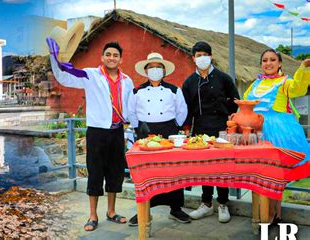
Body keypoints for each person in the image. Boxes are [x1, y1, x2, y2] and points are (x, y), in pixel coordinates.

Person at [46, 38, 134, 231]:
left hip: (118, 131)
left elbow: (131, 107)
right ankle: (93, 215)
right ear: (102, 57)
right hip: (96, 132)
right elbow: (64, 77)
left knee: (116, 172)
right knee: (95, 173)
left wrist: (133, 128)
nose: (112, 58)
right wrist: (54, 58)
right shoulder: (90, 75)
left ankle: (111, 212)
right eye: (108, 54)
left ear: (121, 59)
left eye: (116, 55)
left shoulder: (127, 81)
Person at [244, 49, 310, 225]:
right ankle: (261, 214)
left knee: (275, 175)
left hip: (278, 134)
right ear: (261, 64)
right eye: (265, 60)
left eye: (272, 59)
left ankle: (273, 213)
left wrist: (303, 69)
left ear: (280, 63)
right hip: (255, 133)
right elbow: (245, 103)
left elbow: (298, 89)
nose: (268, 63)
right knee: (258, 174)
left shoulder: (286, 82)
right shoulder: (255, 84)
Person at [127, 52, 190, 226]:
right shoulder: (137, 91)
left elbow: (182, 110)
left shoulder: (174, 90)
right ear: (146, 70)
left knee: (173, 169)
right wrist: (139, 128)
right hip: (145, 131)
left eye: (158, 67)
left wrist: (175, 126)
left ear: (164, 70)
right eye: (151, 67)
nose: (155, 70)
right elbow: (131, 112)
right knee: (146, 171)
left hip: (169, 130)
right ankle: (144, 209)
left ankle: (176, 208)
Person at [181, 41, 240, 223]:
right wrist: (186, 129)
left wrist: (229, 120)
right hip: (199, 128)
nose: (202, 58)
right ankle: (206, 204)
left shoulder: (224, 78)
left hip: (221, 127)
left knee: (222, 166)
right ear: (193, 59)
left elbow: (235, 100)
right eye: (198, 55)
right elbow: (186, 108)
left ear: (211, 56)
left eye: (205, 55)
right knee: (205, 167)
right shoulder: (190, 82)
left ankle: (223, 204)